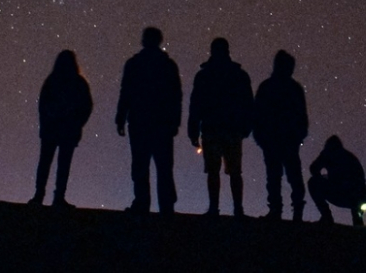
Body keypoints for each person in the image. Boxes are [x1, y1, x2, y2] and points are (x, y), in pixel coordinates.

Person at [116, 27, 182, 216]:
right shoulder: (168, 65)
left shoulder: (134, 64)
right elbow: (176, 95)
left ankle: (142, 203)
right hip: (161, 123)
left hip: (140, 122)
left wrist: (121, 117)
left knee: (140, 165)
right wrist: (175, 121)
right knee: (164, 167)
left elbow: (126, 92)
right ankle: (166, 206)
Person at [188, 38, 254, 217]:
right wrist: (247, 126)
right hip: (232, 129)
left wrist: (193, 130)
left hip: (212, 128)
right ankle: (237, 209)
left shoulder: (204, 75)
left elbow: (196, 104)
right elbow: (248, 103)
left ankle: (214, 208)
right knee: (234, 171)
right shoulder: (238, 75)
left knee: (213, 170)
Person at [29, 50, 93, 208]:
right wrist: (77, 123)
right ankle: (57, 198)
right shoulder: (78, 83)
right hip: (67, 131)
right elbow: (87, 106)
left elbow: (43, 105)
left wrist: (47, 122)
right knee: (62, 165)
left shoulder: (52, 81)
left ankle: (39, 196)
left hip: (53, 130)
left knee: (46, 163)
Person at [253, 50, 308, 221]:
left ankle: (278, 210)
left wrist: (260, 136)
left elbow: (257, 114)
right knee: (288, 176)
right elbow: (301, 116)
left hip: (277, 140)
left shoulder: (267, 87)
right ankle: (294, 211)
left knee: (277, 176)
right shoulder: (293, 89)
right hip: (282, 140)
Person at [308, 135, 366, 226]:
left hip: (350, 194)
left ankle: (327, 217)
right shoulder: (349, 157)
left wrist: (322, 177)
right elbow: (313, 168)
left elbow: (314, 168)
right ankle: (356, 222)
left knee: (313, 183)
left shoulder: (330, 155)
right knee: (313, 183)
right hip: (352, 195)